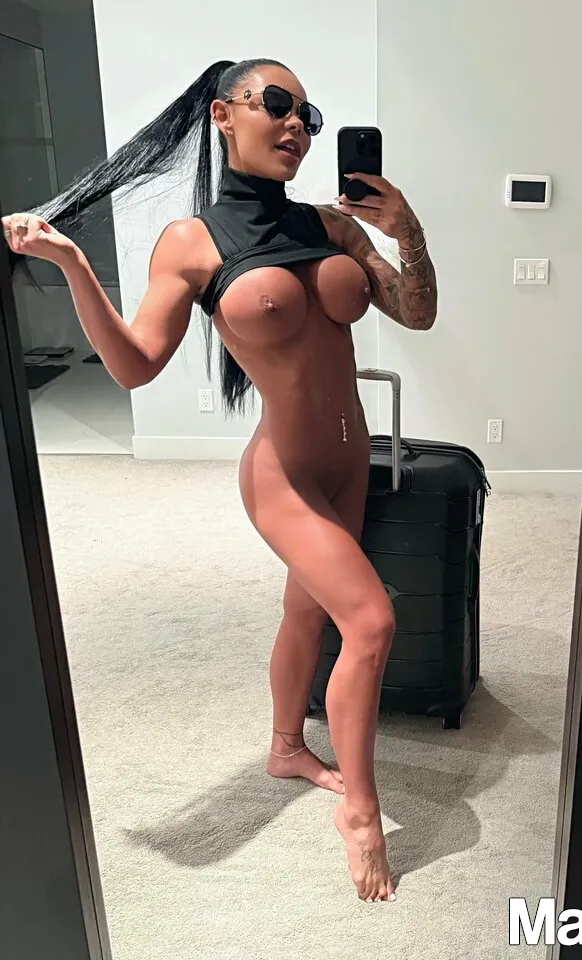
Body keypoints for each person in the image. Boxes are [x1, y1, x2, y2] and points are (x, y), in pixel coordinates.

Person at [2, 58, 437, 905]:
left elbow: (416, 313)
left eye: (308, 114)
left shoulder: (331, 225)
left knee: (308, 611)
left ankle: (285, 746)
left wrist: (407, 231)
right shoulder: (192, 244)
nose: (296, 125)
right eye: (275, 104)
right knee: (371, 620)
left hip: (348, 461)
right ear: (221, 115)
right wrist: (72, 263)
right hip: (283, 476)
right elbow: (135, 365)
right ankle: (360, 815)